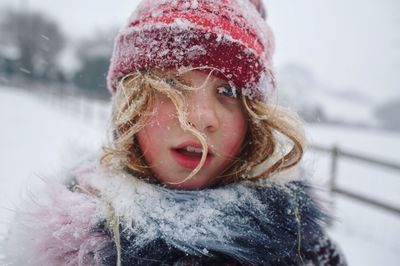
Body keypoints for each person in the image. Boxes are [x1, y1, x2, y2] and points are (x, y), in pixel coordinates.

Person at [2, 0, 347, 265]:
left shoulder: (307, 251)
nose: (199, 118)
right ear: (131, 103)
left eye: (227, 92)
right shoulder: (56, 246)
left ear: (253, 118)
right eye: (170, 85)